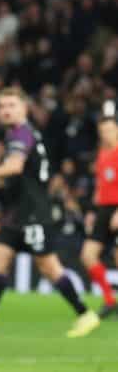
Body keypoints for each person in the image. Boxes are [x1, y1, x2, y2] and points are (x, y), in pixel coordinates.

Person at [0, 88, 100, 338]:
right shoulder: (18, 134)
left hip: (34, 214)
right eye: (2, 106)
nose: (6, 110)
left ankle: (85, 314)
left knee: (48, 267)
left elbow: (14, 166)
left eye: (11, 105)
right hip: (17, 213)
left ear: (24, 108)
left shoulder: (22, 133)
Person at [81, 100, 118, 319]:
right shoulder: (102, 153)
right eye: (102, 131)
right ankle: (109, 300)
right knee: (88, 255)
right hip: (104, 209)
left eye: (110, 130)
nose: (106, 135)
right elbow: (100, 185)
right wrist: (92, 211)